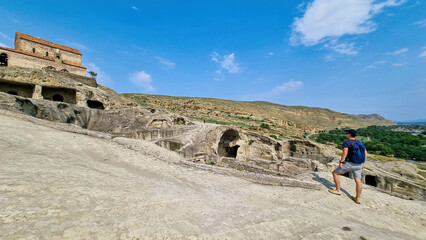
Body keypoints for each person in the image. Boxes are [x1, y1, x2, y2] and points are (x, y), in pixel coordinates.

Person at [328, 129, 367, 204]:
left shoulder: (347, 142)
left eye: (347, 133)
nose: (346, 134)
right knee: (358, 181)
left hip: (350, 163)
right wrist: (361, 161)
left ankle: (338, 190)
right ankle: (357, 199)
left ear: (349, 134)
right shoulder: (359, 142)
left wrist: (341, 162)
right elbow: (365, 153)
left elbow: (345, 153)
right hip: (359, 165)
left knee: (335, 173)